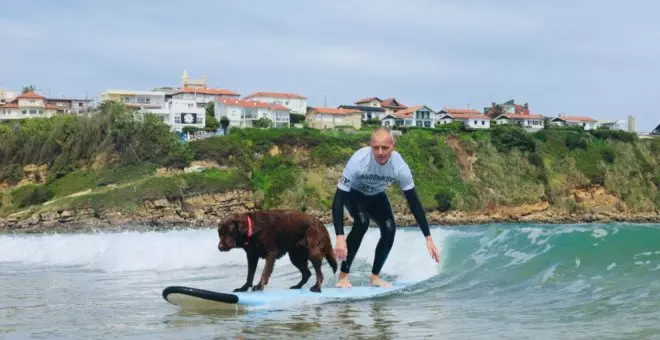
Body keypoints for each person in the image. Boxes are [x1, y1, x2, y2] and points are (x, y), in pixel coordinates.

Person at [332, 127, 440, 288]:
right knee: (362, 222)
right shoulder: (358, 161)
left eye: (385, 148)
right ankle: (343, 276)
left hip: (376, 195)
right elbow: (338, 199)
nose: (380, 152)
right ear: (371, 146)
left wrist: (428, 237)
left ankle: (375, 277)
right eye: (376, 147)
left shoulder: (400, 167)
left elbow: (414, 203)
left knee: (390, 228)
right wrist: (339, 237)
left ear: (393, 146)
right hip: (354, 194)